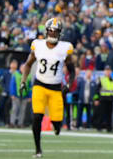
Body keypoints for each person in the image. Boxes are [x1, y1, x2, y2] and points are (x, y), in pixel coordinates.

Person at [20, 18, 75, 158]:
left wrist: (68, 84)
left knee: (57, 124)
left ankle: (57, 127)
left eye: (55, 31)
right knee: (37, 116)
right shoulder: (38, 45)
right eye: (50, 30)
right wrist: (23, 81)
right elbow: (27, 64)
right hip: (39, 85)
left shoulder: (65, 48)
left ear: (60, 33)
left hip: (56, 88)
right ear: (46, 31)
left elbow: (72, 70)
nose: (52, 33)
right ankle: (38, 150)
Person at [96, 65, 113, 133]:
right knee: (101, 114)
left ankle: (109, 128)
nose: (108, 72)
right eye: (106, 70)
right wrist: (96, 99)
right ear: (104, 71)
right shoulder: (101, 79)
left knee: (109, 115)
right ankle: (99, 127)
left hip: (110, 100)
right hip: (103, 99)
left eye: (109, 70)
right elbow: (97, 90)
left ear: (111, 71)